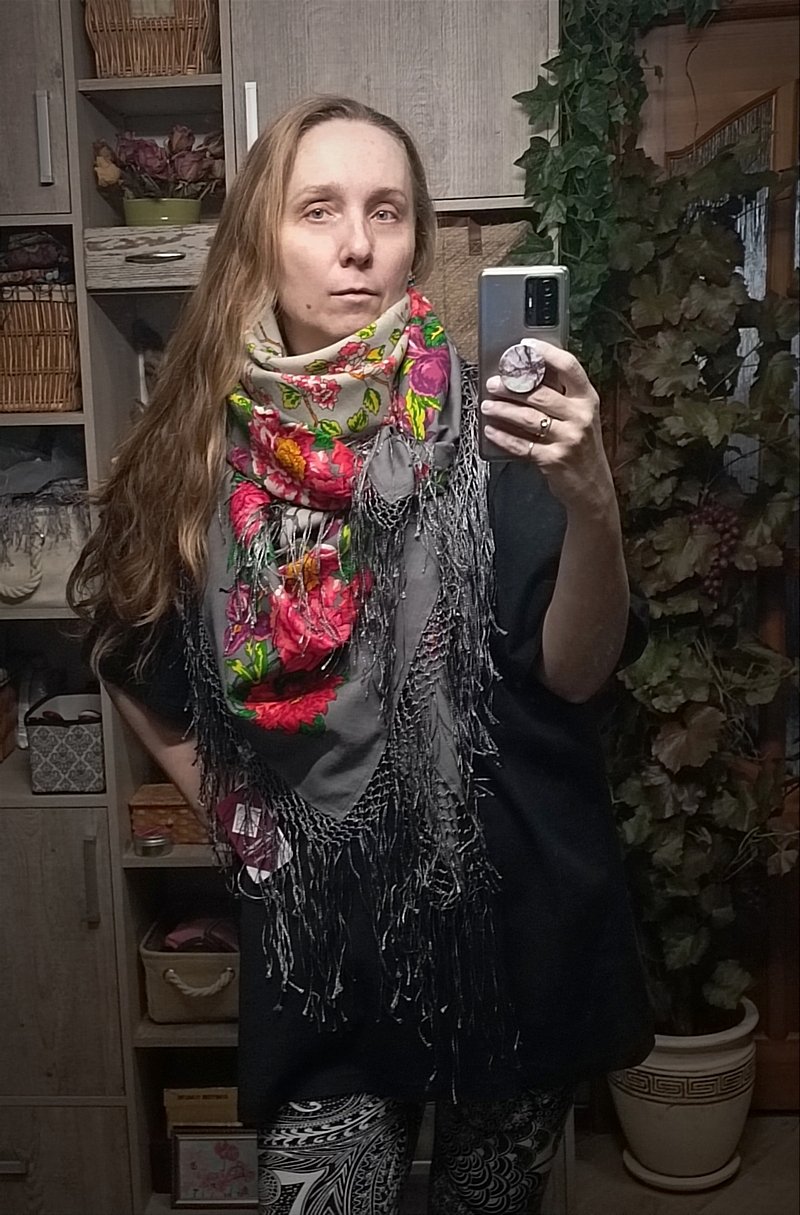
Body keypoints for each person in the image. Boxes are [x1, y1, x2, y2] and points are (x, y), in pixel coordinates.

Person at [70, 96, 654, 1215]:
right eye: (318, 210)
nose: (356, 245)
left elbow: (576, 673)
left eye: (386, 212)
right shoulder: (199, 445)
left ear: (416, 241)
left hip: (511, 918)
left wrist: (593, 505)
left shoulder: (496, 427)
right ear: (261, 236)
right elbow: (123, 639)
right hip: (324, 945)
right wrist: (236, 818)